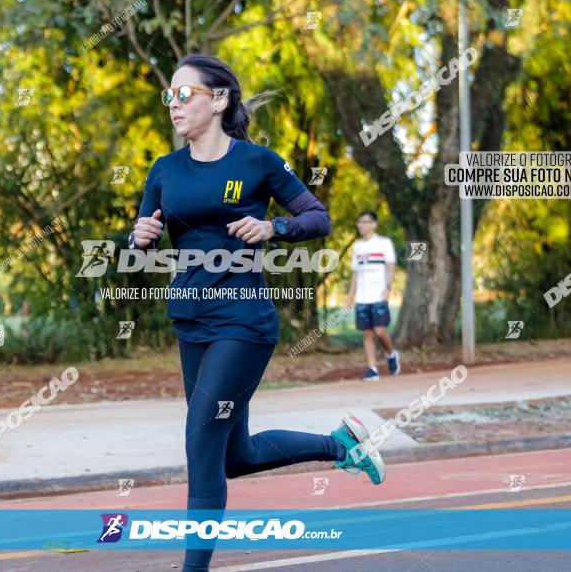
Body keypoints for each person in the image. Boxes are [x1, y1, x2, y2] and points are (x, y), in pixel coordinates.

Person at [129, 55, 386, 572]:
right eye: (170, 96)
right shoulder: (164, 170)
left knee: (200, 441)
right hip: (191, 322)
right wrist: (137, 239)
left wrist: (274, 229)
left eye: (185, 94)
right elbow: (137, 247)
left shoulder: (258, 163)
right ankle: (339, 446)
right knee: (233, 455)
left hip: (243, 322)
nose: (174, 105)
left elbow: (318, 218)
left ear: (218, 100)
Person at [346, 210, 401, 380]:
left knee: (379, 330)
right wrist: (350, 294)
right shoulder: (357, 246)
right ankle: (373, 369)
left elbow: (391, 267)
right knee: (367, 333)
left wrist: (388, 288)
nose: (360, 225)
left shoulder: (384, 243)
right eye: (359, 222)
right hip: (362, 297)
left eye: (364, 222)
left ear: (374, 224)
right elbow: (355, 273)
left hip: (378, 294)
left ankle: (391, 354)